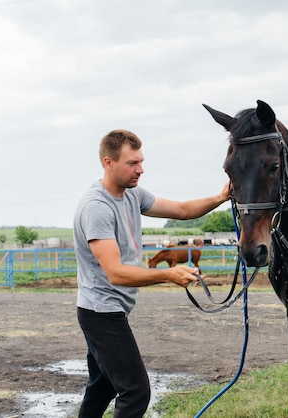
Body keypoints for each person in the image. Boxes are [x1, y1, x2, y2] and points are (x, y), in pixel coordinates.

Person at [73, 129, 231, 417]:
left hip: (108, 309)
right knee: (135, 392)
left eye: (141, 161)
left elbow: (182, 210)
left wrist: (219, 198)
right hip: (101, 313)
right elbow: (116, 273)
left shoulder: (133, 194)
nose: (141, 169)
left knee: (102, 388)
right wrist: (168, 275)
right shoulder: (96, 207)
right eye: (132, 163)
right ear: (109, 163)